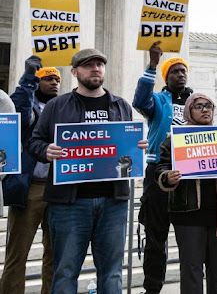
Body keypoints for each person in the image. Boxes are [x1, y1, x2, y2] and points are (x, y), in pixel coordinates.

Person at [28, 48, 148, 294]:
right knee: (64, 271)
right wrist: (46, 151)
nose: (95, 69)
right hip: (69, 203)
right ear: (74, 72)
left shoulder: (121, 106)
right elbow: (34, 142)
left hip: (113, 201)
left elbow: (127, 144)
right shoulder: (56, 106)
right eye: (88, 65)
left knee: (112, 272)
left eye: (99, 65)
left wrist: (138, 145)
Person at [155, 92, 217, 294]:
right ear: (188, 110)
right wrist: (167, 176)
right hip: (189, 215)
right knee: (192, 270)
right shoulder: (174, 139)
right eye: (199, 106)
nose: (205, 110)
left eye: (208, 106)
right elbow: (160, 169)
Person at [132, 41, 193, 294]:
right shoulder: (158, 101)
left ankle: (192, 287)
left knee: (190, 237)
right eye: (175, 71)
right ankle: (152, 288)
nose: (180, 74)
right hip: (158, 170)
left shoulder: (197, 101)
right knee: (156, 236)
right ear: (166, 77)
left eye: (183, 71)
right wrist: (152, 66)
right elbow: (139, 101)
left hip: (189, 173)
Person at [0, 57, 59, 294]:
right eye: (47, 78)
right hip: (30, 187)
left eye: (57, 79)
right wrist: (28, 80)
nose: (54, 82)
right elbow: (19, 112)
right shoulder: (28, 107)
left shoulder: (64, 109)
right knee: (18, 254)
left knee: (56, 255)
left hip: (58, 188)